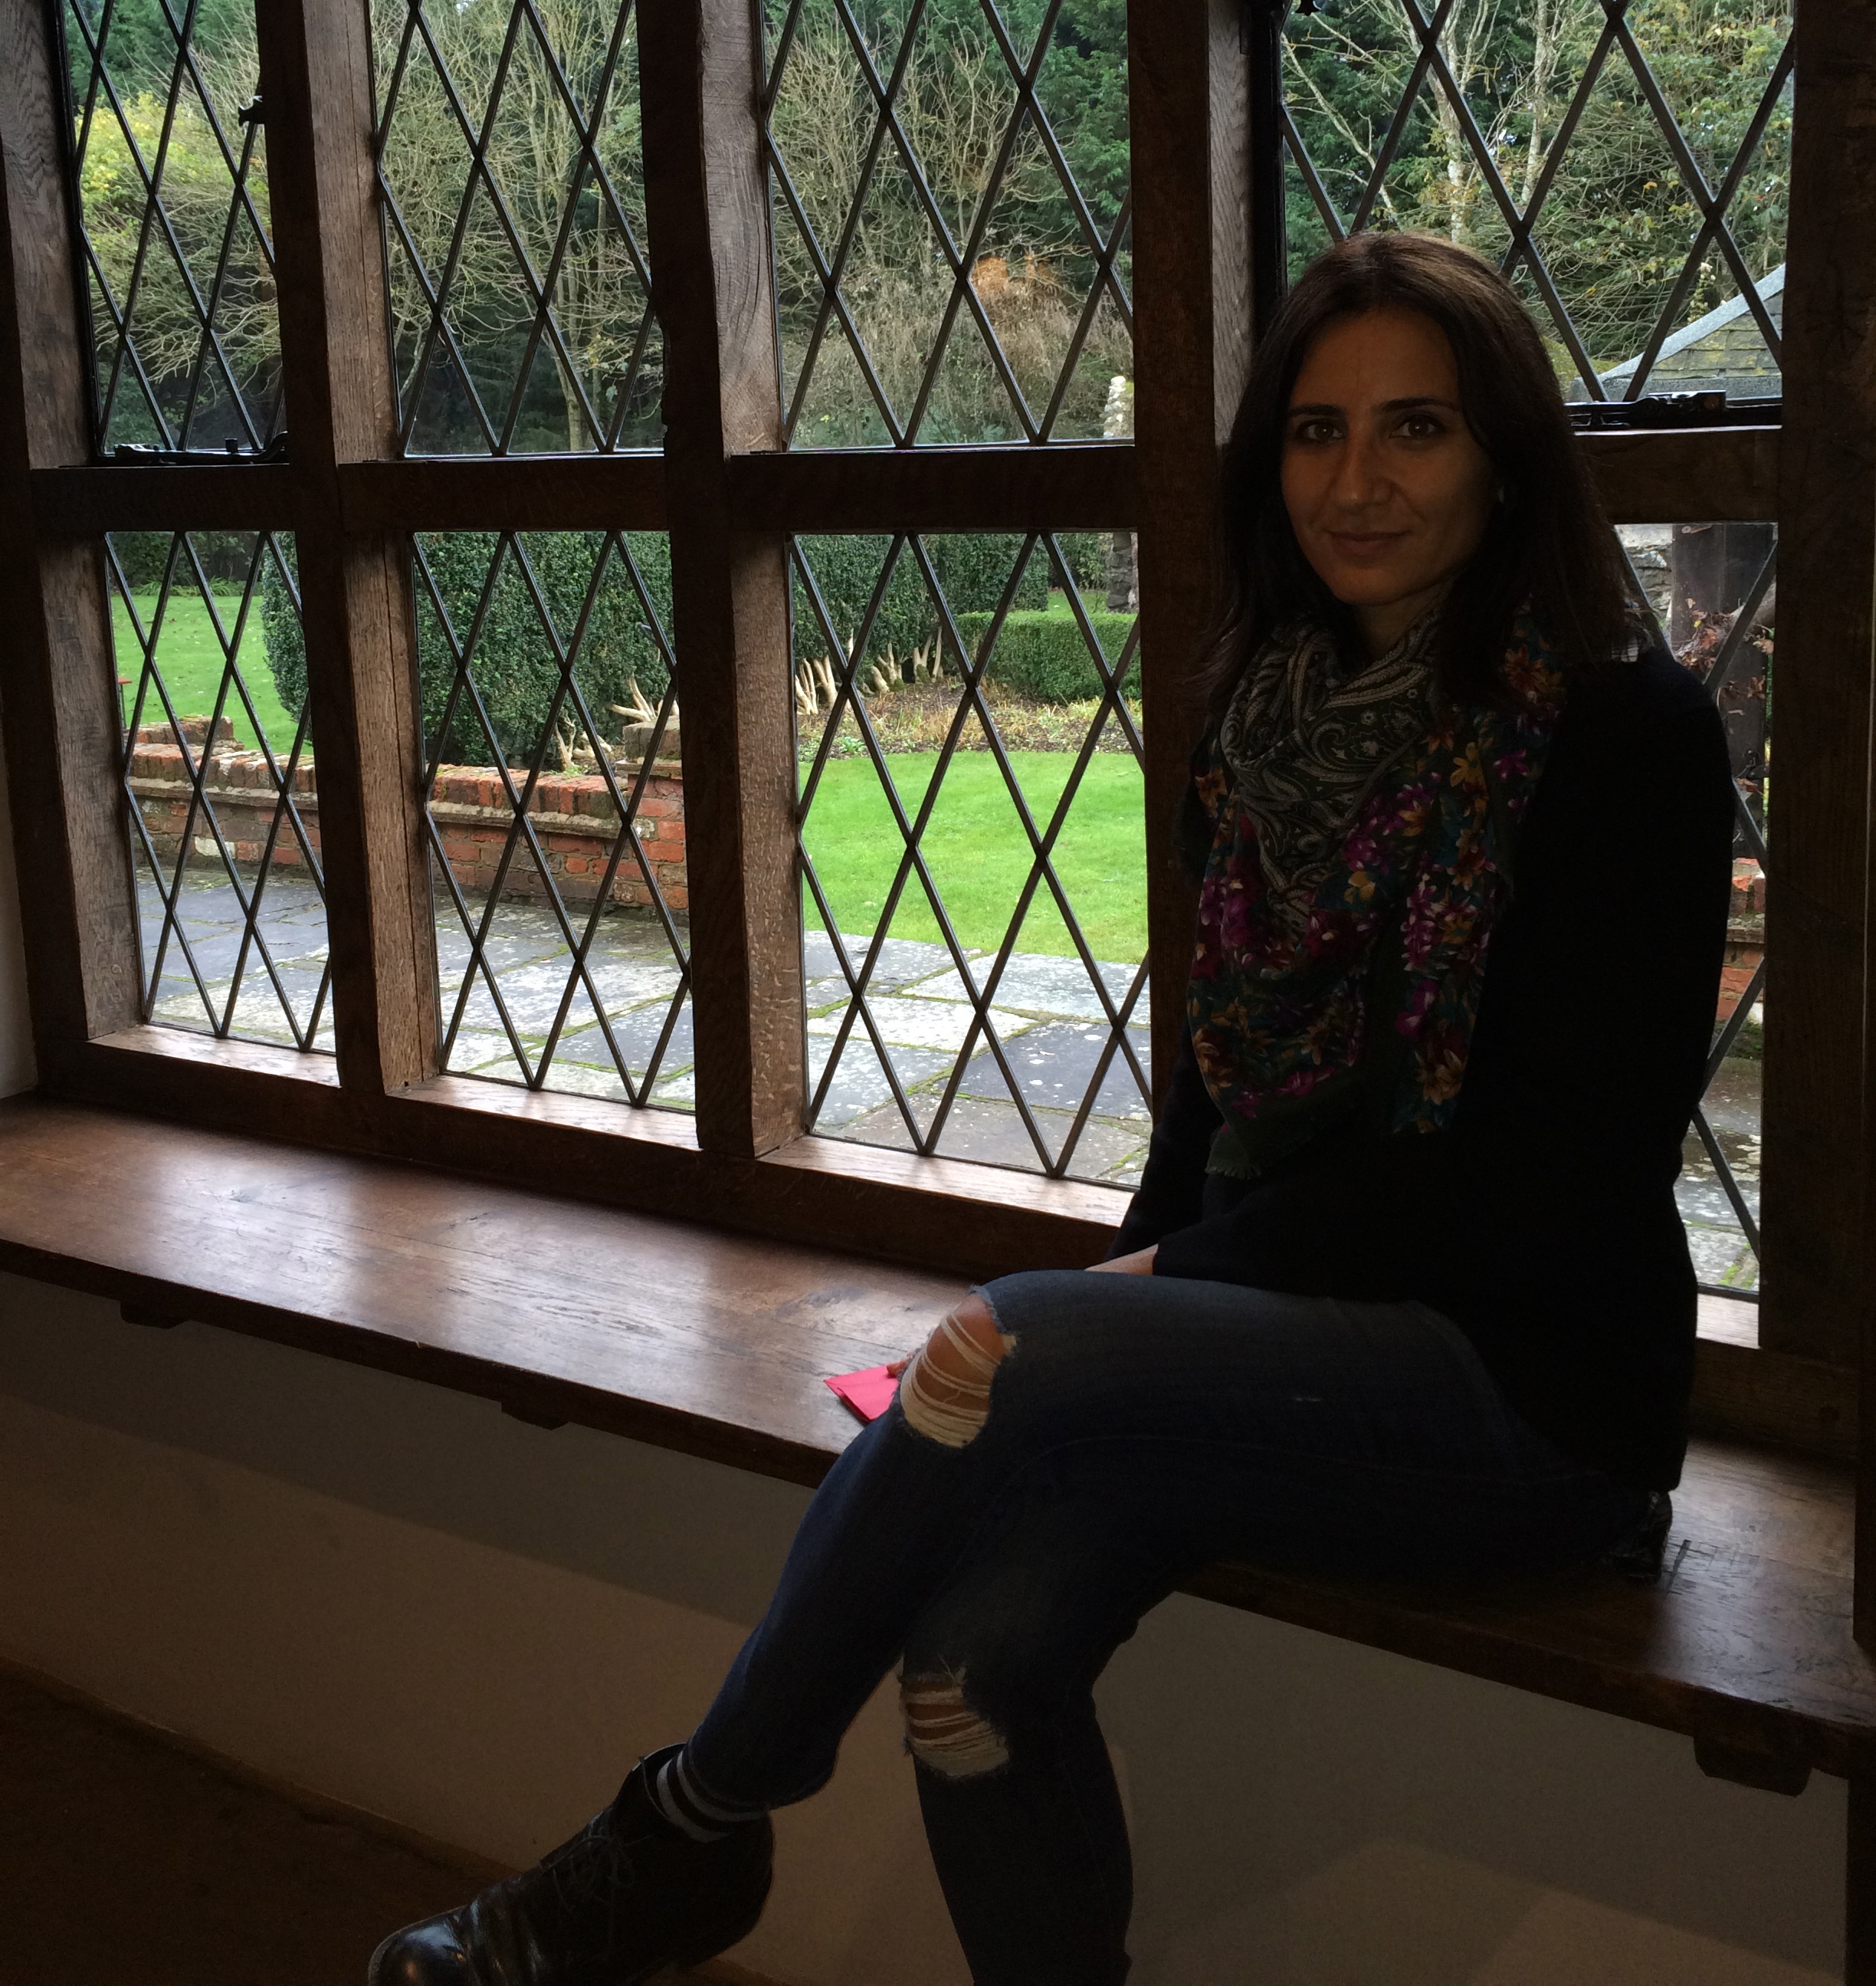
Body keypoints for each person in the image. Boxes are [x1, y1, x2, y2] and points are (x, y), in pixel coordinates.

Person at [369, 231, 1734, 1986]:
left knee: (1002, 1340)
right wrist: (1148, 1291)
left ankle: (690, 1830)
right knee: (973, 1668)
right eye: (1316, 432)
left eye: (1418, 428)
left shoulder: (1626, 734)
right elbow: (1213, 1101)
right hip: (1277, 1358)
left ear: (1508, 457)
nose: (1358, 481)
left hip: (1526, 1399)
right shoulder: (1259, 723)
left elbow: (1551, 1178)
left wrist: (1143, 1302)